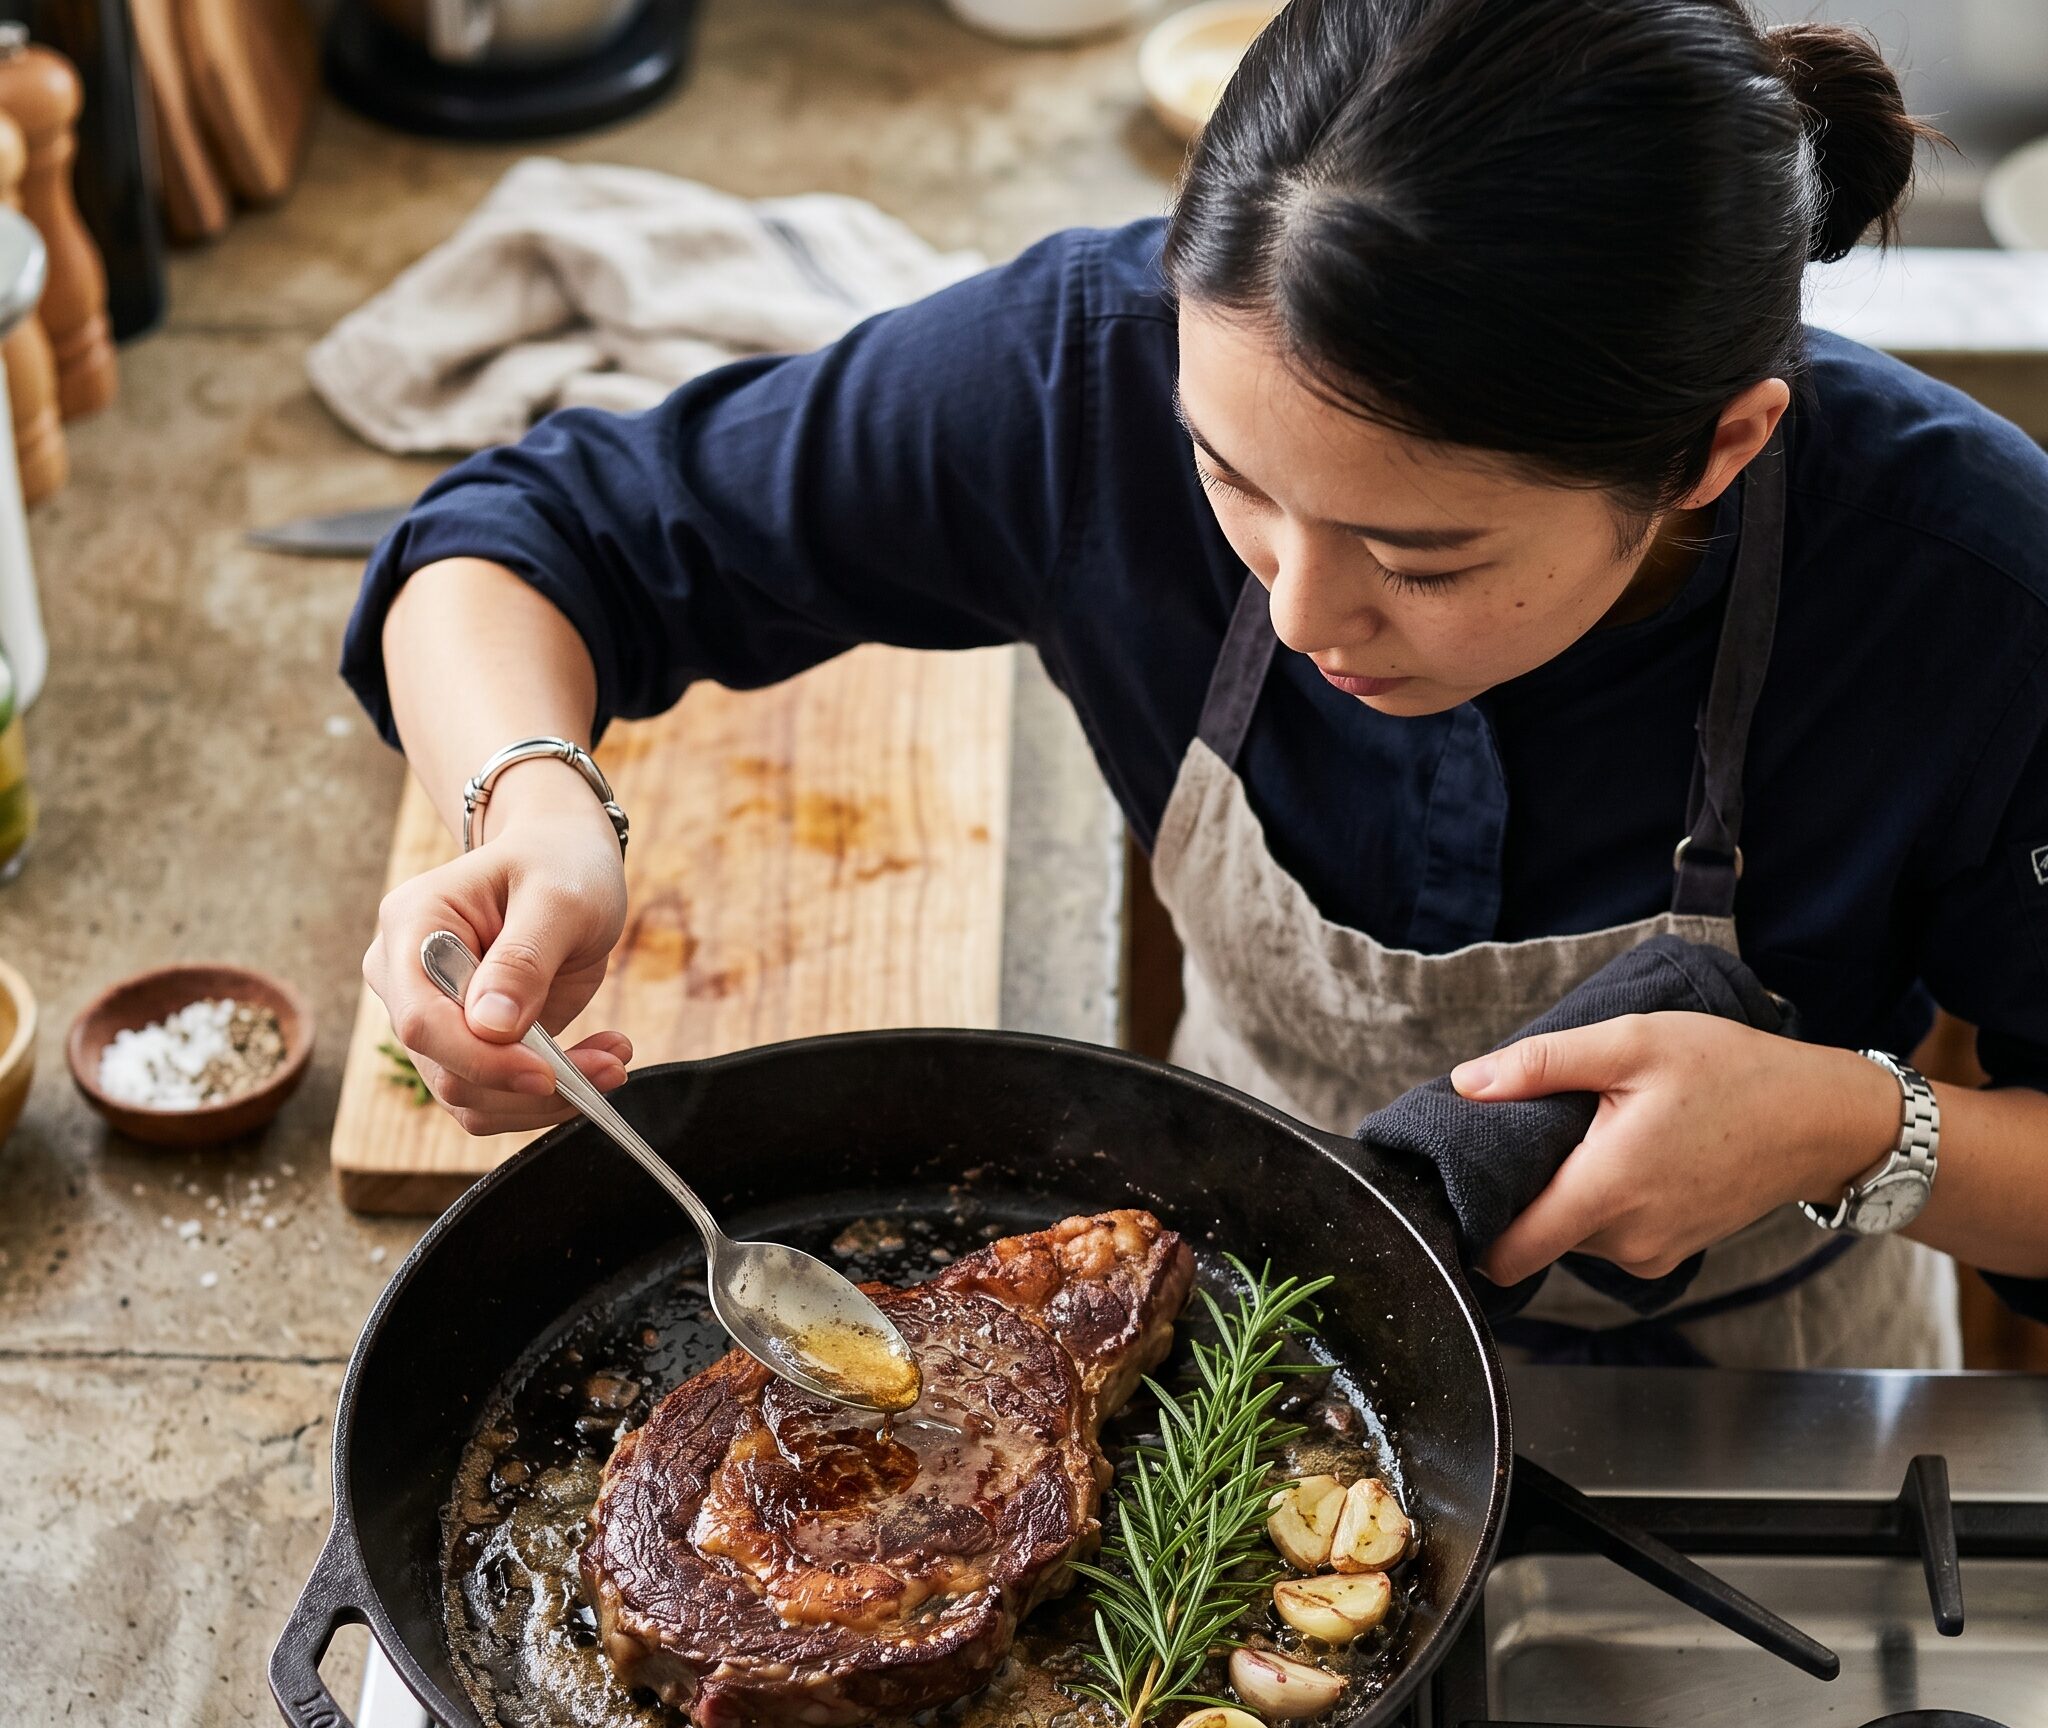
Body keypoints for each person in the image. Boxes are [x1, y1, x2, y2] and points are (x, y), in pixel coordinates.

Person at [343, 0, 2048, 1369]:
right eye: (1228, 479)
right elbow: (516, 538)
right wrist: (531, 799)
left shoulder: (1972, 590)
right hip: (1227, 1360)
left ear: (1715, 450)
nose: (1304, 610)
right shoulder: (1076, 370)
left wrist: (1853, 1126)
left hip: (1774, 1408)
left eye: (1424, 556)